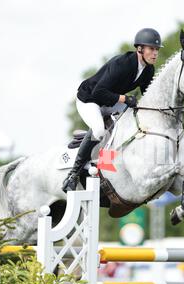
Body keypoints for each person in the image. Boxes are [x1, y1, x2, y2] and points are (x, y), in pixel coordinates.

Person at [62, 28, 163, 192]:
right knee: (99, 130)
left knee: (129, 121)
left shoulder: (148, 70)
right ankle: (73, 175)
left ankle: (105, 165)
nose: (155, 53)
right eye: (151, 49)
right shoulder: (122, 63)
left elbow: (147, 96)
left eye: (157, 49)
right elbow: (98, 92)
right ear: (140, 49)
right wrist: (124, 99)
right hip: (90, 99)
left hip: (109, 101)